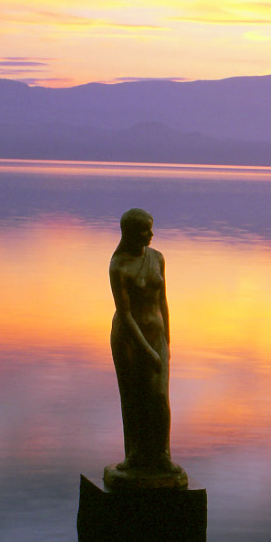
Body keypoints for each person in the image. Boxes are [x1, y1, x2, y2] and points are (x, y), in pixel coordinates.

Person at [107, 208, 185, 486]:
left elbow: (163, 300)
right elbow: (125, 314)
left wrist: (166, 340)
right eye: (145, 230)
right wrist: (145, 350)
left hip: (156, 335)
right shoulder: (119, 266)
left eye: (151, 229)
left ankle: (161, 455)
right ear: (129, 233)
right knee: (135, 398)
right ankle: (135, 456)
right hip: (130, 338)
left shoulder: (157, 258)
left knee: (159, 397)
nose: (151, 235)